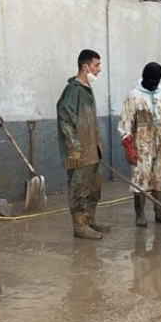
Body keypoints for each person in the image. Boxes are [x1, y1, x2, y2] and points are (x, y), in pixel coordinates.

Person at [118, 62, 161, 227]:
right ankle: (140, 215)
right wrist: (129, 147)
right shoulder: (133, 96)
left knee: (160, 177)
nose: (152, 83)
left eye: (155, 81)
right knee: (141, 178)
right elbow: (126, 123)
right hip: (141, 144)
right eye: (149, 80)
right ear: (144, 77)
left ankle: (160, 213)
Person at [56, 49, 109, 240]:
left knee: (94, 189)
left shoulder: (87, 89)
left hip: (93, 152)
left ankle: (89, 220)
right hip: (79, 154)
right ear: (85, 66)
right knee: (79, 190)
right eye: (97, 65)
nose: (99, 70)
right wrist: (75, 148)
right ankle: (79, 226)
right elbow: (65, 120)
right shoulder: (73, 91)